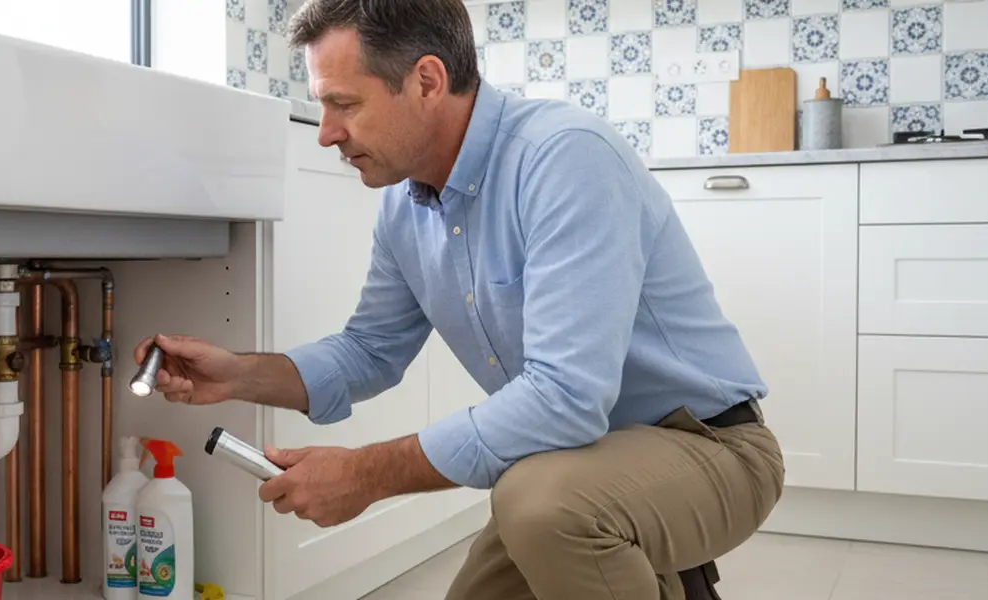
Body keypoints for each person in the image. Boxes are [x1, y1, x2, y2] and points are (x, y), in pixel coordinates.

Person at [132, 0, 785, 597]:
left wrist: (364, 475)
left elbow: (565, 399)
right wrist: (240, 374)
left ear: (426, 80)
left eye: (344, 104)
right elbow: (368, 353)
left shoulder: (563, 159)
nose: (326, 132)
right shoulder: (405, 207)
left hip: (709, 449)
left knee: (537, 504)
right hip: (577, 468)